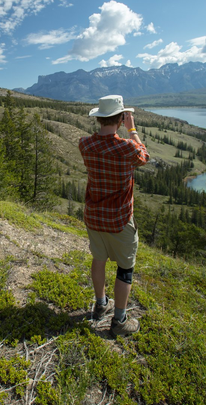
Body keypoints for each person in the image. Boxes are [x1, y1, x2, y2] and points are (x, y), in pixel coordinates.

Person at [79, 95, 150, 337]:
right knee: (125, 268)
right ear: (120, 119)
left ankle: (101, 304)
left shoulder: (85, 144)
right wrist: (132, 129)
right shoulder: (127, 148)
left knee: (98, 259)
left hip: (94, 216)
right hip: (120, 220)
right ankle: (119, 320)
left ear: (98, 118)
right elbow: (144, 155)